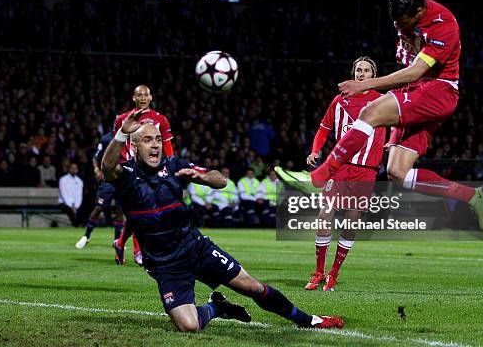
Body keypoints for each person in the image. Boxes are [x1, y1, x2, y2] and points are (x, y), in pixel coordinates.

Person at [101, 110, 344, 332]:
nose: (155, 145)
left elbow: (220, 180)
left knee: (252, 287)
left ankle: (308, 320)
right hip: (166, 265)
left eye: (157, 139)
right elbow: (107, 166)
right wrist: (123, 132)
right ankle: (218, 307)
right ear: (133, 147)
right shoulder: (126, 175)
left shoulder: (174, 165)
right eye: (147, 140)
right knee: (189, 326)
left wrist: (201, 176)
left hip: (195, 248)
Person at [311, 0, 483, 229]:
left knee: (369, 112)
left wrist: (364, 85)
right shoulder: (406, 11)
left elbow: (416, 71)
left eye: (404, 22)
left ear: (419, 12)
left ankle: (325, 171)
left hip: (438, 89)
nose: (400, 27)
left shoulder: (444, 25)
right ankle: (472, 196)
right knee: (397, 173)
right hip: (416, 89)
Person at [278, 57, 386, 291]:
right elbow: (324, 128)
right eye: (358, 69)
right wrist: (315, 150)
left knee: (351, 222)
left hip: (366, 171)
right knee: (324, 215)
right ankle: (318, 272)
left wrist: (394, 142)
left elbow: (402, 122)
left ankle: (334, 274)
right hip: (339, 169)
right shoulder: (339, 101)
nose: (362, 74)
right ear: (353, 72)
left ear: (373, 75)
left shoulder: (381, 102)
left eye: (367, 70)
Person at [112, 85, 173, 266]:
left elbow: (167, 147)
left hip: (153, 169)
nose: (143, 97)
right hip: (130, 169)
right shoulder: (123, 119)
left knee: (141, 211)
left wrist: (169, 167)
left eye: (146, 94)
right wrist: (123, 165)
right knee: (139, 208)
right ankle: (138, 251)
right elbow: (117, 144)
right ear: (133, 98)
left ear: (151, 97)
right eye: (139, 95)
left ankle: (121, 242)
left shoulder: (160, 119)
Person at [75, 132, 125, 259]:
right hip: (108, 180)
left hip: (123, 179)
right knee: (99, 207)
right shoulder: (107, 138)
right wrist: (97, 170)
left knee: (120, 210)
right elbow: (95, 157)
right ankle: (86, 236)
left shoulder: (130, 137)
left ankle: (117, 241)